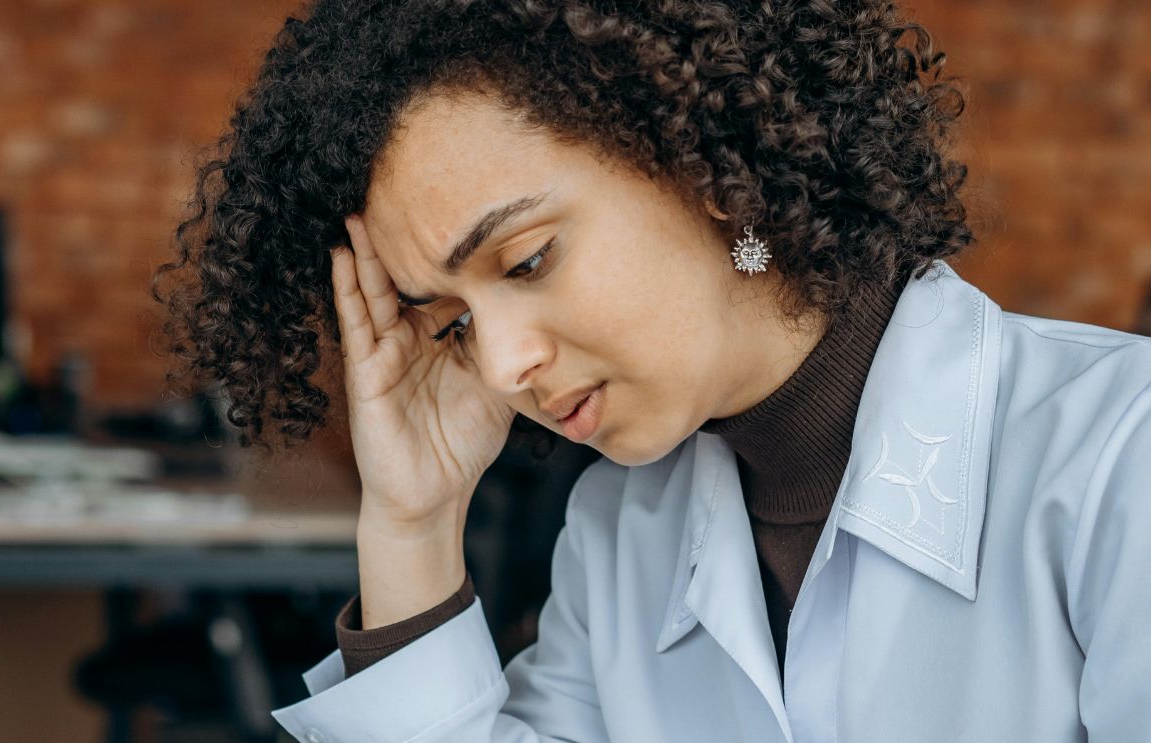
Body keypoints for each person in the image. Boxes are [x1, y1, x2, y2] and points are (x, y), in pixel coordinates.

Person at [152, 1, 1151, 741]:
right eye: (452, 321)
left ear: (709, 168)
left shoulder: (1116, 456)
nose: (504, 366)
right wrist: (411, 522)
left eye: (527, 260)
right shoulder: (623, 534)